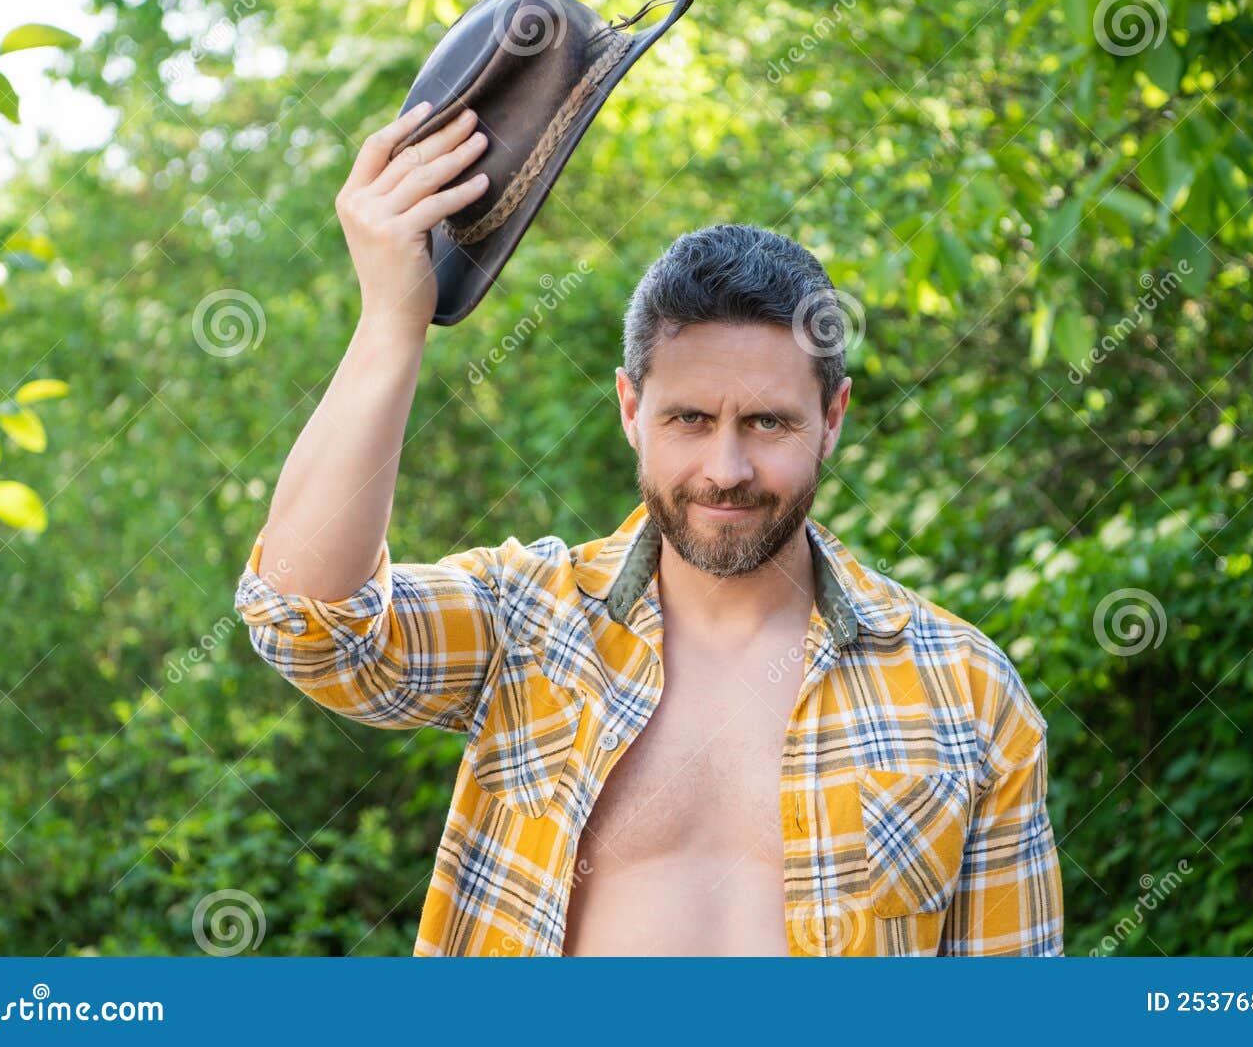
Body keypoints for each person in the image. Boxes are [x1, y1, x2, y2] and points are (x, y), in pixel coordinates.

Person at [234, 102, 1063, 956]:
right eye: (691, 420)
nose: (727, 469)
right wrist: (389, 320)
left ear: (834, 417)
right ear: (632, 410)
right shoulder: (529, 620)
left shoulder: (967, 694)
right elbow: (303, 621)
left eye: (770, 424)